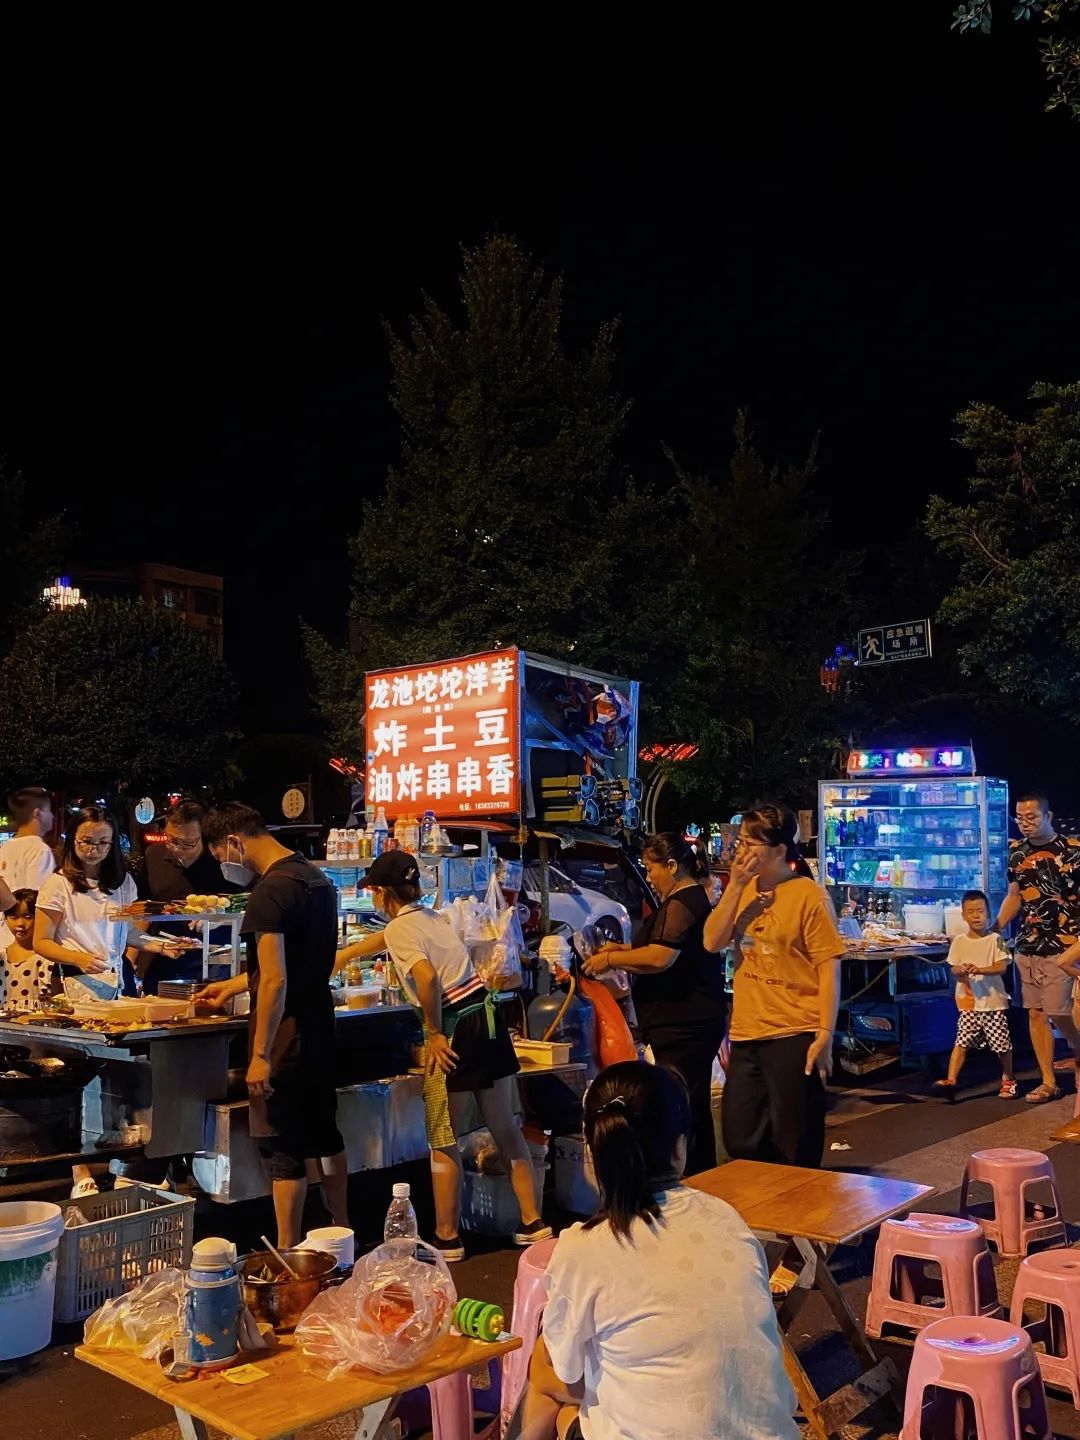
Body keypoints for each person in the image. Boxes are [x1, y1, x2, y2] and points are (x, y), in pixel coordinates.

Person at [517, 1061, 798, 1440]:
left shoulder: (584, 1248)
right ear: (680, 1147)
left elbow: (563, 1369)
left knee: (543, 1369)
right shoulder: (727, 1219)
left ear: (592, 1151)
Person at [359, 848, 551, 1259]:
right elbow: (391, 938)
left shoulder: (402, 928)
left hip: (454, 1027)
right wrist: (345, 954)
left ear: (382, 893)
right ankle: (534, 1222)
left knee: (443, 1137)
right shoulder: (431, 917)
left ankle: (447, 1238)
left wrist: (434, 1035)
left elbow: (426, 979)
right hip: (487, 1018)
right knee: (505, 1127)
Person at [194, 803, 348, 1249]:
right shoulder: (315, 879)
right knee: (325, 1135)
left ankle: (288, 1252)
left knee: (285, 1148)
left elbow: (277, 979)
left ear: (233, 842)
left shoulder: (268, 893)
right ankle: (344, 1231)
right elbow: (294, 964)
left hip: (286, 1034)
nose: (224, 864)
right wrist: (232, 985)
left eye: (219, 854)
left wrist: (260, 1054)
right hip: (319, 1024)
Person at [704, 803, 843, 1168]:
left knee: (794, 1141)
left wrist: (825, 1035)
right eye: (741, 841)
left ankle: (797, 1203)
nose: (741, 851)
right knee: (739, 1136)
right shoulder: (742, 890)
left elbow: (828, 968)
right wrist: (736, 885)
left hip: (795, 1031)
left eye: (751, 843)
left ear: (779, 850)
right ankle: (767, 1193)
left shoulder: (808, 896)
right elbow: (711, 941)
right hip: (747, 1031)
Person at [583, 832, 725, 1175]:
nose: (648, 877)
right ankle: (698, 1176)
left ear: (672, 866)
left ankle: (693, 1177)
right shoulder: (680, 900)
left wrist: (611, 959)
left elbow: (662, 957)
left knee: (684, 1104)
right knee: (690, 1104)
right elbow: (659, 949)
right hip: (682, 1022)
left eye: (651, 868)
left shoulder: (683, 902)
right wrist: (620, 952)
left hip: (685, 1024)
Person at [34, 806, 182, 1002]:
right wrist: (78, 959)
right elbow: (41, 941)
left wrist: (162, 945)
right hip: (75, 977)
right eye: (86, 841)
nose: (93, 850)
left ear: (113, 844)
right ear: (72, 839)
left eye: (103, 843)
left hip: (118, 976)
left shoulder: (123, 882)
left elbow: (127, 932)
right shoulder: (58, 884)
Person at [996, 792, 1080, 1104]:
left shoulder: (1073, 850)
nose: (1025, 823)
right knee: (1036, 1013)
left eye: (1031, 817)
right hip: (1029, 942)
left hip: (1066, 942)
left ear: (1049, 816)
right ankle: (1048, 1081)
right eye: (1020, 818)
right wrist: (995, 926)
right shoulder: (1016, 852)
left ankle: (1078, 1054)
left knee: (1060, 1011)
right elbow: (1014, 896)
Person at [136, 799, 242, 994]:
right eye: (171, 840)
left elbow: (247, 906)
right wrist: (131, 957)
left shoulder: (223, 860)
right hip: (164, 958)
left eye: (188, 844)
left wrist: (220, 917)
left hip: (216, 961)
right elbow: (144, 907)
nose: (177, 849)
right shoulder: (154, 855)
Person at [934, 890, 1016, 1099]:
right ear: (963, 916)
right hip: (968, 1003)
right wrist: (960, 971)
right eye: (970, 912)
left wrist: (980, 970)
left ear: (988, 913)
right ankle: (951, 1079)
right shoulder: (959, 941)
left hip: (993, 1003)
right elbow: (953, 967)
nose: (976, 916)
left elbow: (1001, 967)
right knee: (962, 1041)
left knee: (1001, 1044)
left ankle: (1008, 1078)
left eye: (980, 911)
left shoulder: (995, 939)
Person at [1, 890, 52, 1013]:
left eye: (28, 917)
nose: (20, 923)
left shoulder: (48, 958)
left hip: (38, 1022)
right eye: (14, 917)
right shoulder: (1, 957)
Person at [0, 787, 56, 891]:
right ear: (37, 813)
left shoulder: (5, 848)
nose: (52, 816)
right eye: (49, 810)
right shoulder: (39, 850)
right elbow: (39, 896)